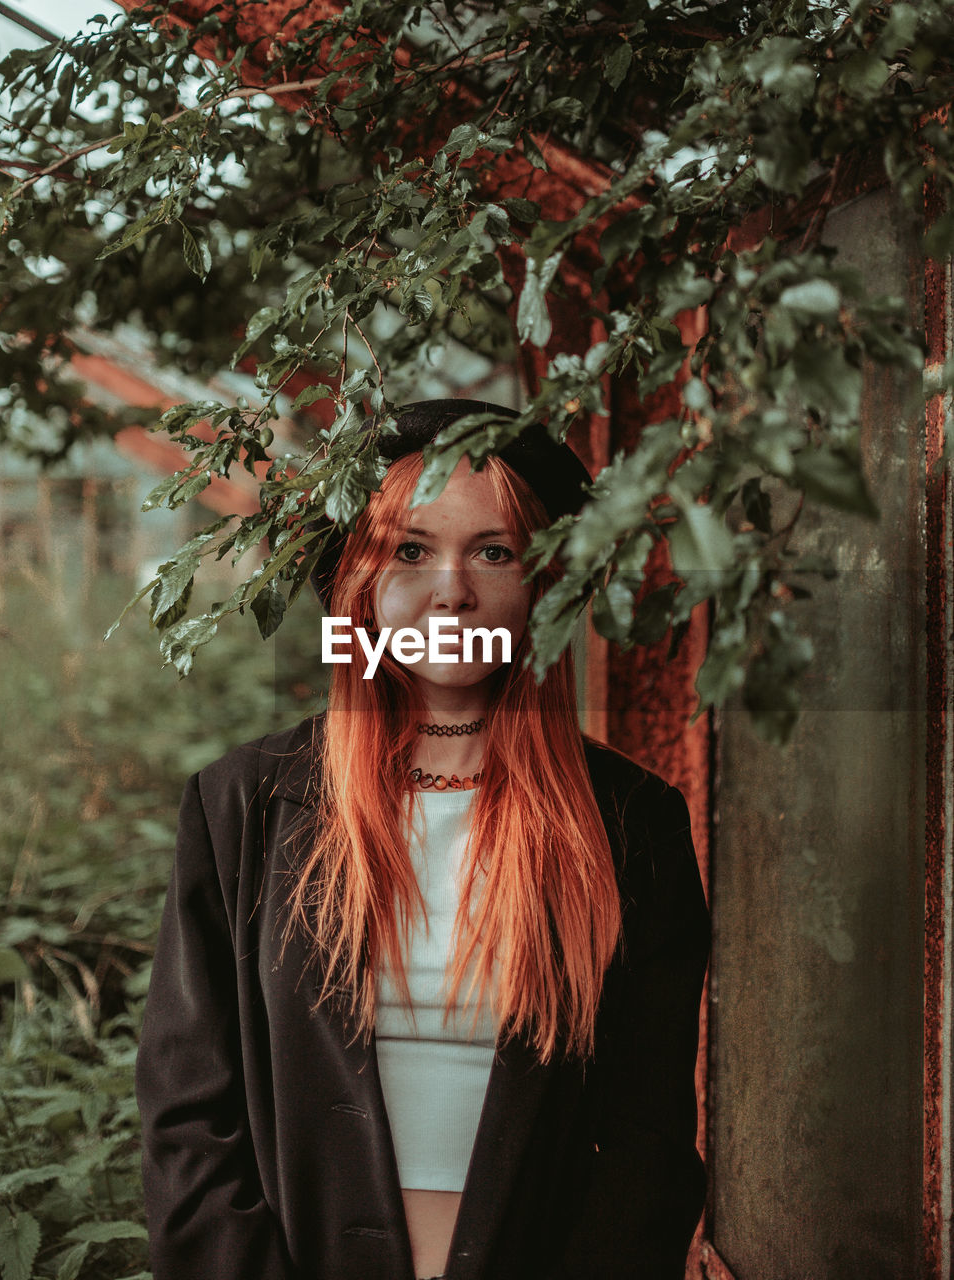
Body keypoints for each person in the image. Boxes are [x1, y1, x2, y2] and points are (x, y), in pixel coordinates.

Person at [135, 399, 711, 1280]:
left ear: (545, 581)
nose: (452, 588)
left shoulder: (632, 822)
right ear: (359, 581)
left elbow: (650, 1143)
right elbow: (189, 1121)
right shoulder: (242, 805)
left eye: (493, 550)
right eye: (410, 551)